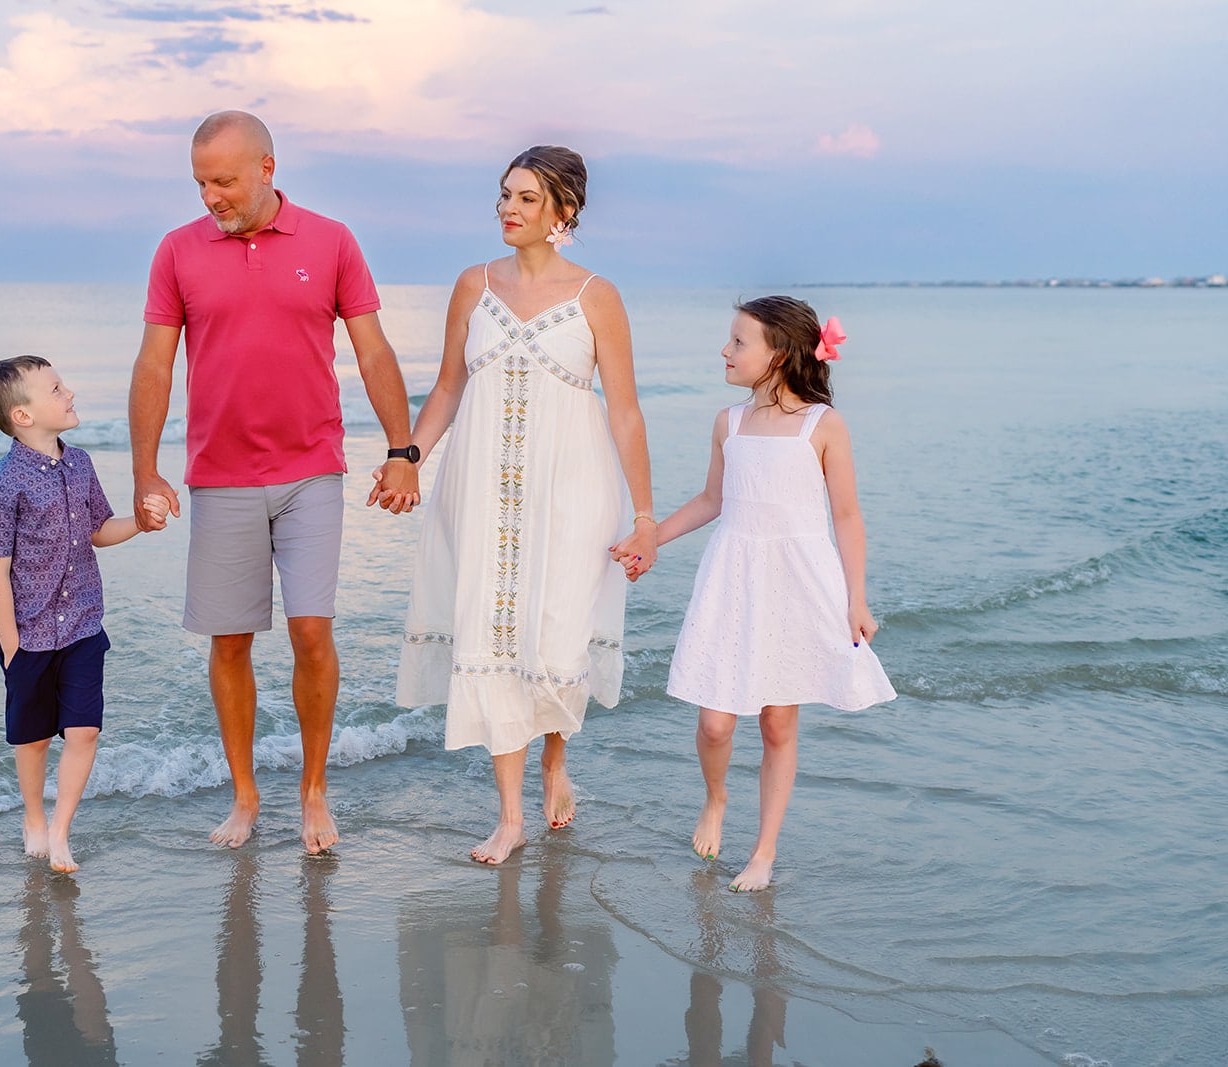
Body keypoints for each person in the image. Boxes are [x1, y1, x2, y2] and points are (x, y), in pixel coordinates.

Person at [129, 110, 418, 854]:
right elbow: (155, 364)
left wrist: (403, 451)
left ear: (266, 168)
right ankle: (245, 795)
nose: (211, 197)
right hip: (220, 476)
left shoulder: (331, 241)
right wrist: (145, 469)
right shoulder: (177, 251)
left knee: (310, 630)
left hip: (310, 469)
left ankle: (314, 791)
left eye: (224, 180)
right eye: (200, 183)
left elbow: (373, 349)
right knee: (229, 641)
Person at [386, 146, 658, 865]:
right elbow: (448, 388)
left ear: (564, 211)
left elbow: (625, 411)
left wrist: (645, 518)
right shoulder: (473, 285)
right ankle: (509, 818)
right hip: (482, 490)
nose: (509, 208)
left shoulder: (597, 296)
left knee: (557, 636)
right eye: (505, 194)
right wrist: (408, 456)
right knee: (495, 633)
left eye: (527, 198)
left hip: (574, 491)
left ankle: (554, 759)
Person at [650, 297, 895, 891]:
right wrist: (649, 539)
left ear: (778, 355)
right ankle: (716, 797)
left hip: (798, 582)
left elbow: (847, 516)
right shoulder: (728, 423)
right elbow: (713, 500)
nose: (725, 351)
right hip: (733, 577)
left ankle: (763, 852)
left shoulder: (823, 425)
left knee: (777, 725)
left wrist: (856, 599)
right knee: (715, 724)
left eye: (738, 342)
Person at [0, 355, 168, 873]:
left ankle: (60, 831)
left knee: (84, 732)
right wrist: (12, 648)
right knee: (34, 738)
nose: (69, 394)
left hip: (82, 623)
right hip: (28, 634)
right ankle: (33, 818)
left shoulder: (80, 464)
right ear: (22, 415)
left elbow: (99, 530)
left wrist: (141, 523)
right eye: (56, 389)